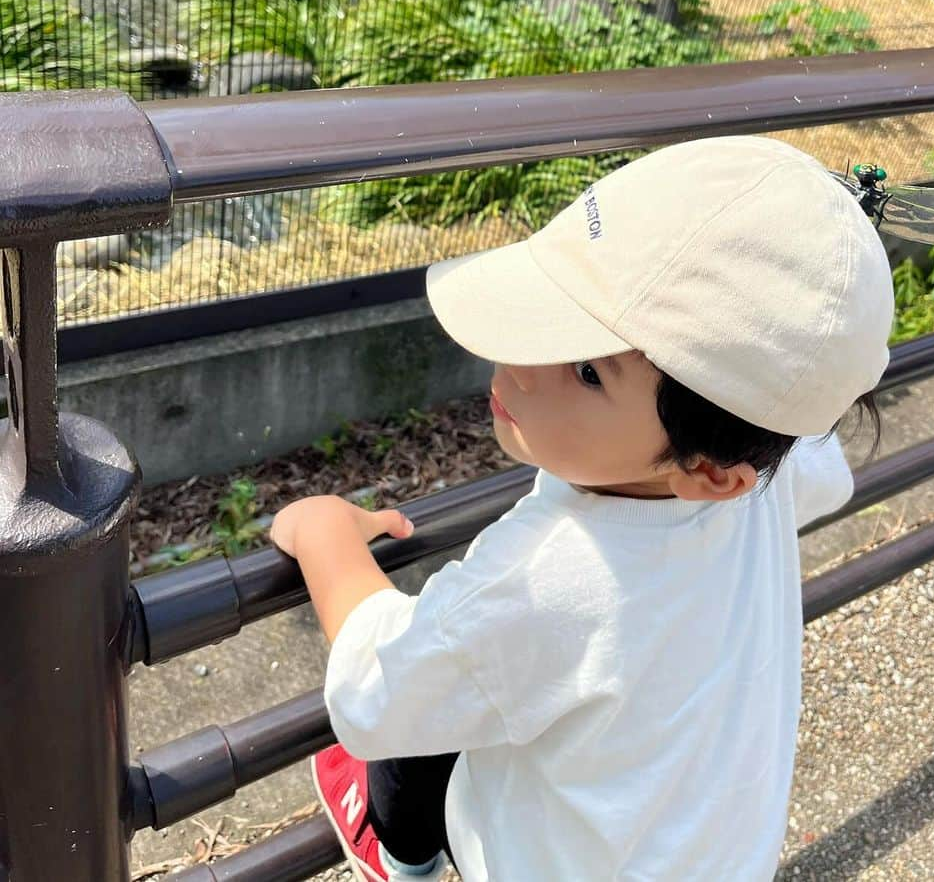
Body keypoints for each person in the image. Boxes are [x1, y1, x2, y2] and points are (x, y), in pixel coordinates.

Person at [270, 134, 895, 881]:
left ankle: (404, 859)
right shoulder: (753, 473)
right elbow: (823, 473)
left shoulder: (547, 571)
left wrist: (324, 535)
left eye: (587, 370)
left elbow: (376, 693)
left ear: (708, 470)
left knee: (442, 685)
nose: (521, 362)